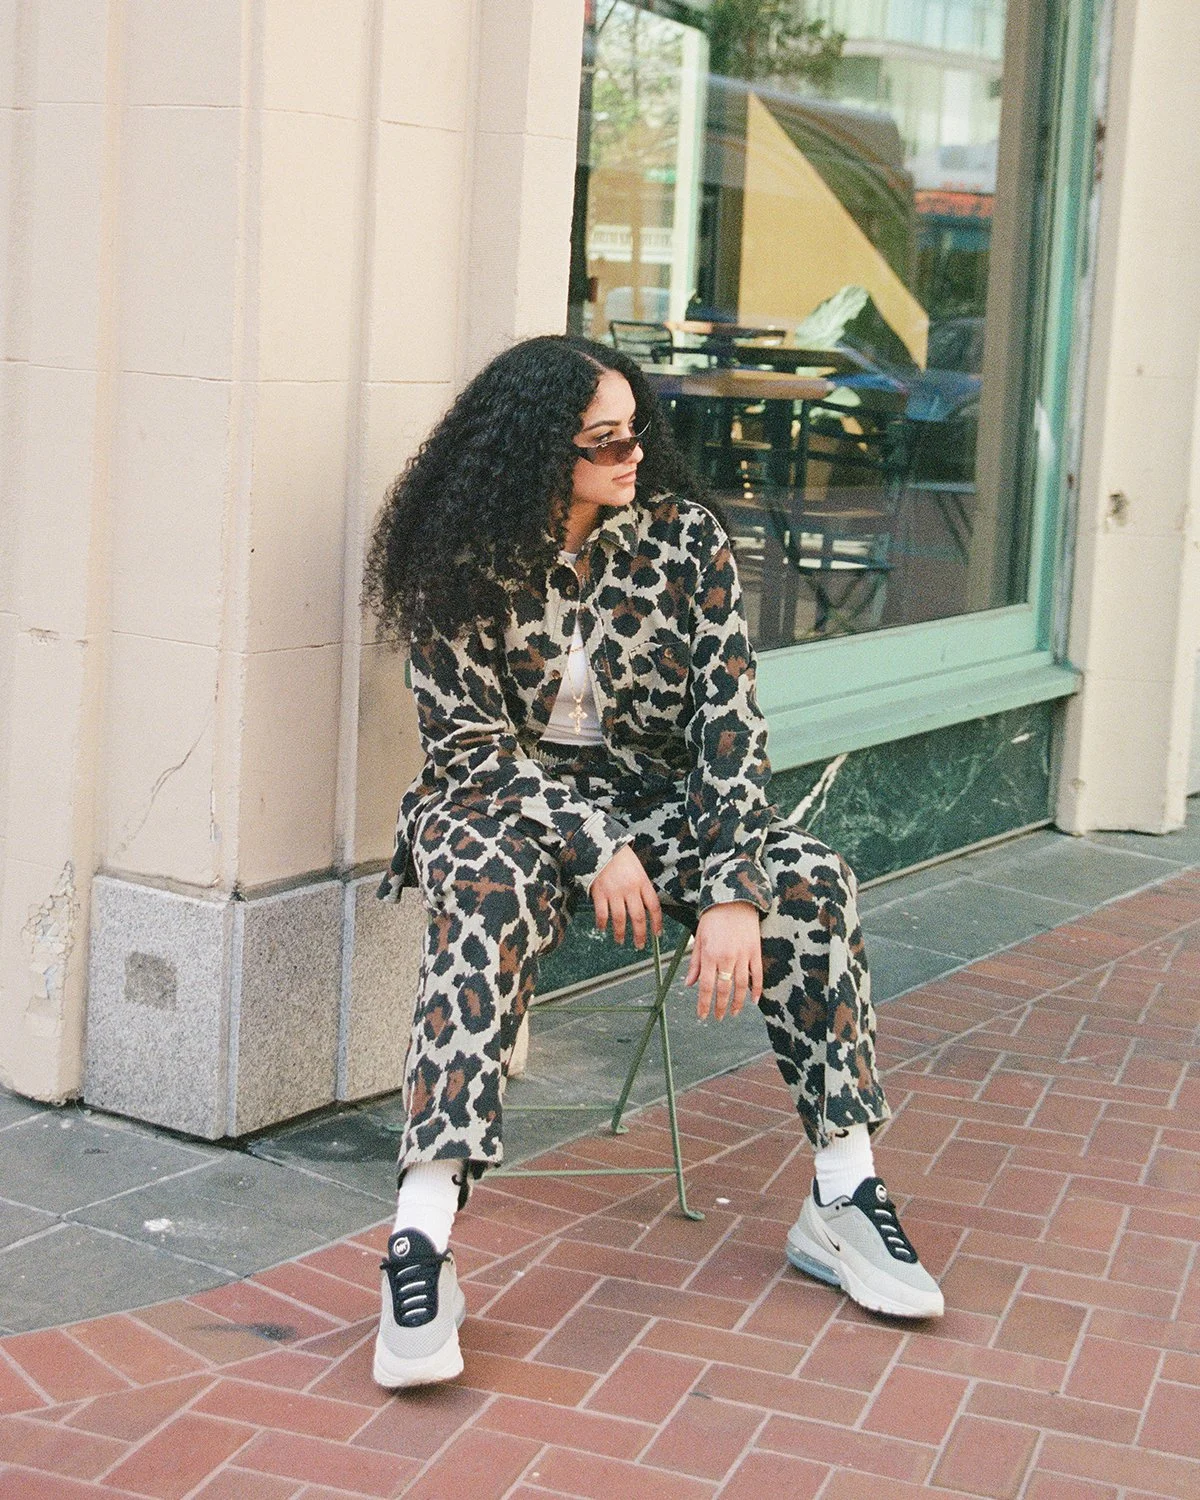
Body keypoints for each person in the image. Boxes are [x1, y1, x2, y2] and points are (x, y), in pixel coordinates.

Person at [363, 334, 943, 1390]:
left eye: (638, 430)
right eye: (605, 442)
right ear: (540, 456)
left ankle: (844, 1197)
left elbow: (733, 728)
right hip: (500, 806)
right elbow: (468, 746)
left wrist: (729, 889)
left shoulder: (685, 542)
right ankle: (421, 1241)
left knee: (809, 884)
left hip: (661, 806)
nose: (637, 455)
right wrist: (594, 848)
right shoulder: (456, 562)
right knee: (488, 901)